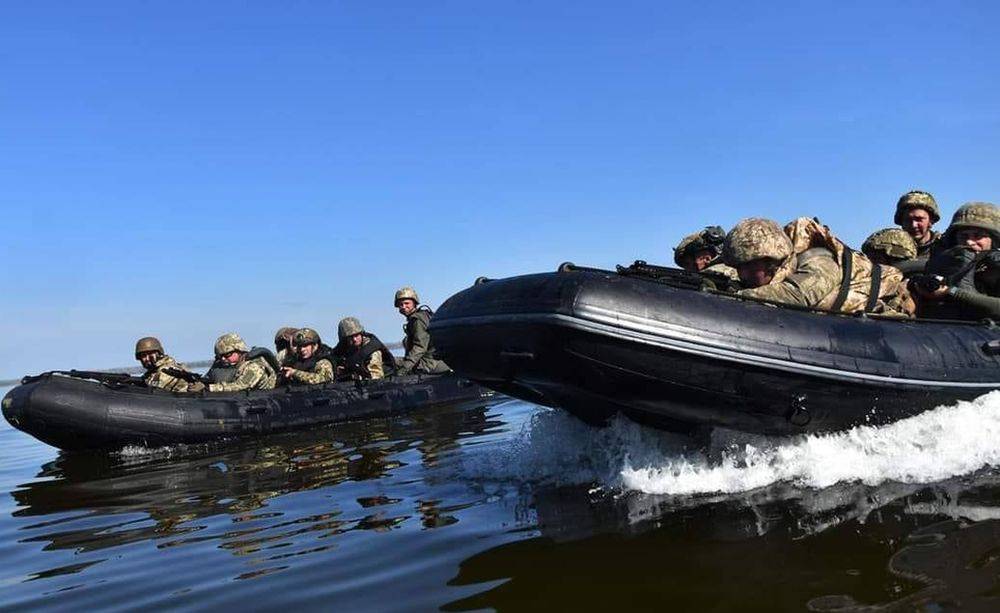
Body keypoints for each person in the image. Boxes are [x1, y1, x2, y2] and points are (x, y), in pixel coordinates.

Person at [723, 217, 914, 316]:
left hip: (884, 317)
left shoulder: (819, 261)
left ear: (773, 261)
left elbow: (798, 295)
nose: (743, 274)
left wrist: (729, 299)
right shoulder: (778, 269)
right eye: (739, 267)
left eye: (749, 267)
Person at [911, 202, 1000, 320]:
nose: (969, 242)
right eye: (964, 236)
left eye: (978, 236)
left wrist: (951, 292)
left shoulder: (995, 268)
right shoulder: (946, 263)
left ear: (994, 240)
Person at [394, 287, 450, 375]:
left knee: (389, 363)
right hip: (434, 360)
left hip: (429, 363)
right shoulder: (422, 316)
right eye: (401, 304)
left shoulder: (418, 319)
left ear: (414, 303)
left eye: (407, 303)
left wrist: (404, 369)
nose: (404, 307)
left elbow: (419, 347)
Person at [206, 333, 277, 392]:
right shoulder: (222, 365)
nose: (223, 359)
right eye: (220, 356)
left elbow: (242, 385)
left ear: (239, 351)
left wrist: (209, 388)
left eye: (227, 355)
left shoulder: (254, 365)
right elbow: (207, 378)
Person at [895, 190, 942, 259]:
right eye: (908, 220)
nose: (913, 225)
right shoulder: (892, 249)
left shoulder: (945, 247)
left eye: (919, 219)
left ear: (931, 221)